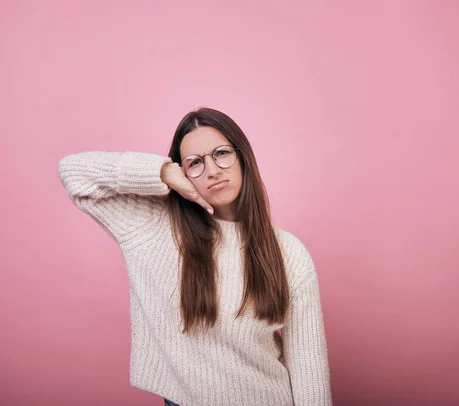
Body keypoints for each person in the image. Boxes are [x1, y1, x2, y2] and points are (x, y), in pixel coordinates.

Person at [57, 107, 332, 406]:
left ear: (243, 158)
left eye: (222, 153)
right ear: (183, 174)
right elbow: (74, 172)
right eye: (195, 163)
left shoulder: (288, 252)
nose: (213, 170)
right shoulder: (153, 228)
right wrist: (162, 172)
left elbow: (308, 367)